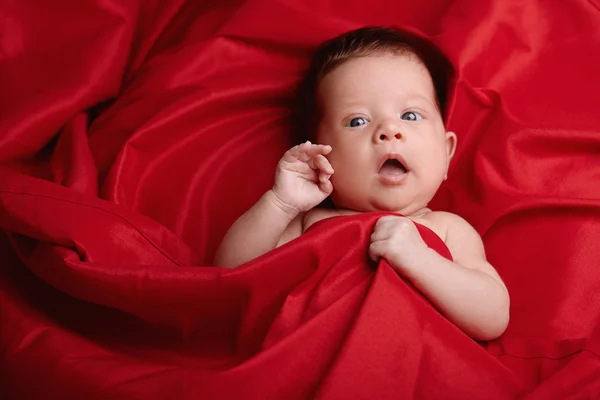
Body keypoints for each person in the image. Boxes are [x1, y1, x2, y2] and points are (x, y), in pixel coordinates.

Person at [214, 26, 510, 341]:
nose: (389, 130)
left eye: (410, 115)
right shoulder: (309, 223)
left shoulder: (448, 229)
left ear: (447, 153)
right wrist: (280, 203)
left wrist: (420, 260)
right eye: (358, 121)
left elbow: (491, 317)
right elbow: (229, 276)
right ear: (321, 155)